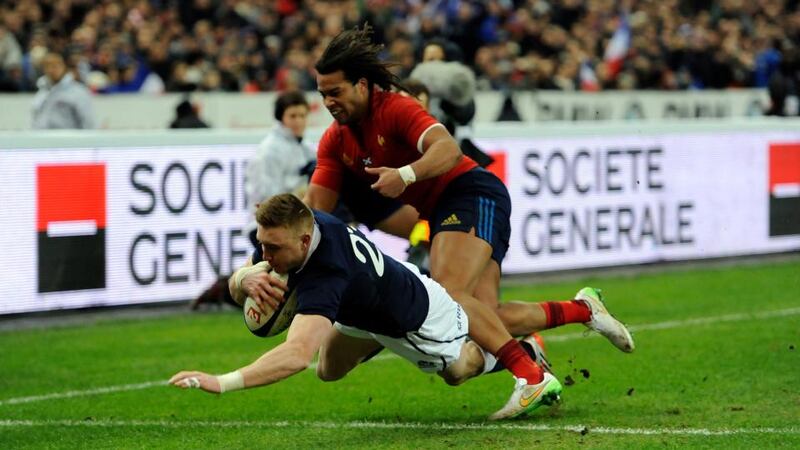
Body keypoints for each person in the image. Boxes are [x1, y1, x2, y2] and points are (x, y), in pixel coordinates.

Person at [303, 24, 634, 356]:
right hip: (442, 209)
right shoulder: (335, 138)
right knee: (484, 319)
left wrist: (405, 174)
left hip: (469, 193)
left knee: (450, 297)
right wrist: (282, 251)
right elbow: (316, 208)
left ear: (361, 85)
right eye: (323, 95)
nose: (328, 102)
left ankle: (529, 375)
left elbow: (447, 149)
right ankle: (584, 310)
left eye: (335, 92)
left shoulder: (395, 107)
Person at [170, 193, 562, 420]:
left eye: (272, 249)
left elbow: (294, 355)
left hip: (411, 316)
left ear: (305, 244)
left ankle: (524, 352)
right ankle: (373, 338)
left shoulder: (326, 276)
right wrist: (244, 278)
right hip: (366, 304)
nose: (264, 255)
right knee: (329, 369)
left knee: (459, 371)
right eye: (262, 245)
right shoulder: (305, 223)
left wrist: (221, 382)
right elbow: (248, 278)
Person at [191, 91, 311, 309]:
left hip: (291, 226)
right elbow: (267, 197)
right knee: (277, 286)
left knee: (282, 283)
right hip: (268, 225)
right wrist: (302, 190)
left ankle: (223, 290)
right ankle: (224, 290)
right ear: (281, 118)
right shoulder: (269, 152)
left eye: (302, 116)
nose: (299, 121)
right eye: (293, 116)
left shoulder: (306, 148)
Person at [31, 52, 96, 129]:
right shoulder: (42, 92)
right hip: (42, 138)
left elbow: (88, 120)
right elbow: (36, 118)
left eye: (55, 66)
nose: (51, 70)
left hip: (68, 138)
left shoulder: (78, 92)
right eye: (47, 66)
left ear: (64, 67)